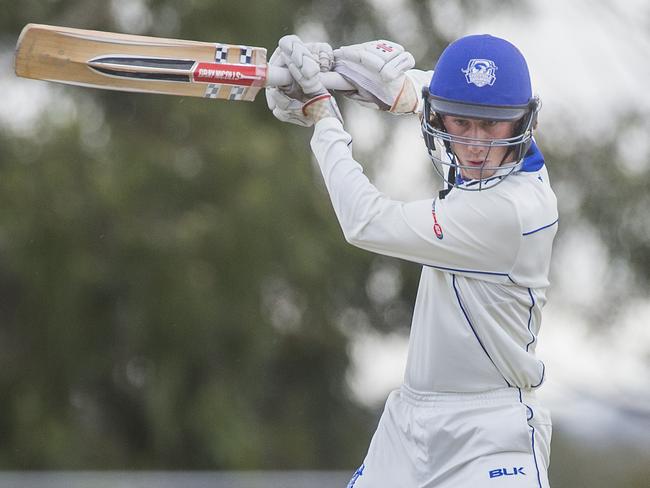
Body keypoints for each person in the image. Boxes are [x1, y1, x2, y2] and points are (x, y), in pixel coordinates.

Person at [266, 33, 558, 488]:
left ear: (524, 122)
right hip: (408, 424)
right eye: (461, 124)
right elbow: (450, 100)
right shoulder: (505, 152)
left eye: (492, 127)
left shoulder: (508, 213)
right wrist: (397, 91)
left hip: (491, 432)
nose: (476, 147)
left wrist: (323, 117)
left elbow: (364, 221)